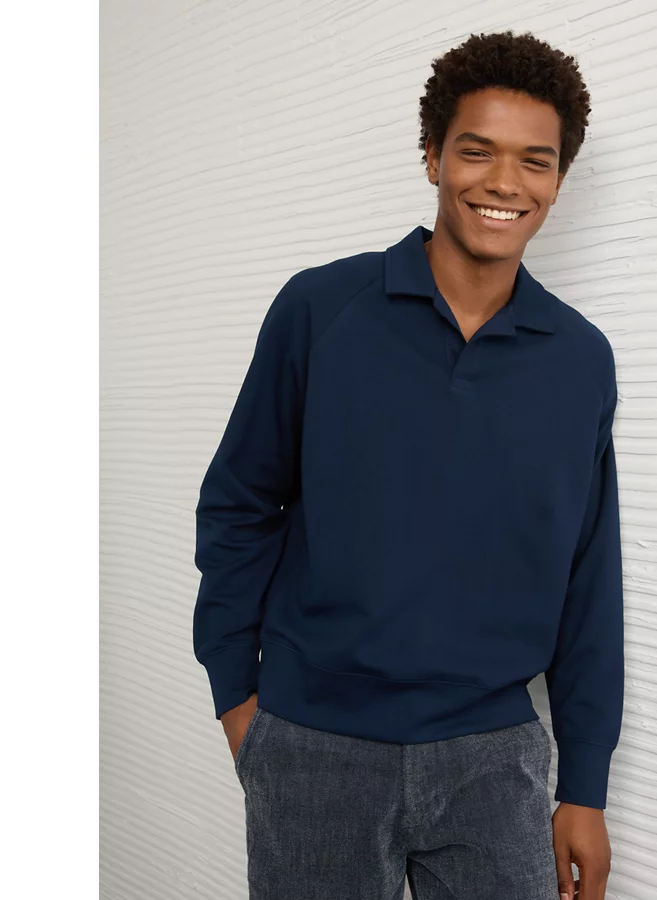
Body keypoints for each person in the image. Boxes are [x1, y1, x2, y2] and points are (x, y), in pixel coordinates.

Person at [193, 29, 623, 900]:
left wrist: (583, 785)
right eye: (477, 151)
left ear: (559, 180)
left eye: (534, 161)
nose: (505, 182)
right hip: (313, 745)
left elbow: (588, 574)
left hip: (494, 756)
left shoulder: (580, 360)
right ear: (432, 156)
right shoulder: (321, 310)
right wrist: (238, 698)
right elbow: (240, 504)